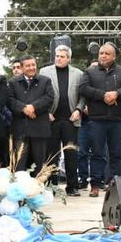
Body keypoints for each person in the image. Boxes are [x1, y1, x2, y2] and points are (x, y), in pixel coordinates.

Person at [78, 42, 121, 197]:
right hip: (96, 119)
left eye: (106, 53)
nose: (103, 56)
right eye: (101, 53)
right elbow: (83, 88)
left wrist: (116, 94)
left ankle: (114, 184)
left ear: (114, 56)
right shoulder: (90, 71)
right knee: (97, 153)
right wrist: (103, 95)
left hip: (117, 120)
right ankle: (95, 184)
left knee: (116, 153)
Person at [39, 44, 84, 195]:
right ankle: (51, 186)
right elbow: (40, 94)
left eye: (62, 56)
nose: (58, 58)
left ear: (69, 59)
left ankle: (72, 187)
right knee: (52, 155)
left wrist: (78, 110)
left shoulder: (78, 74)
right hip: (52, 119)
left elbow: (83, 96)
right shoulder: (44, 72)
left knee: (72, 155)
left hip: (71, 120)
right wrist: (45, 112)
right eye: (57, 56)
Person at [7, 54, 55, 176]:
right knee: (19, 165)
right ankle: (20, 191)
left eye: (33, 65)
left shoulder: (45, 81)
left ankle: (40, 190)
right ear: (22, 68)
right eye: (28, 66)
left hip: (40, 129)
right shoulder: (13, 82)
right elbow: (9, 100)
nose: (31, 68)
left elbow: (49, 98)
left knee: (40, 164)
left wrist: (33, 107)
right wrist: (23, 108)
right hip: (20, 129)